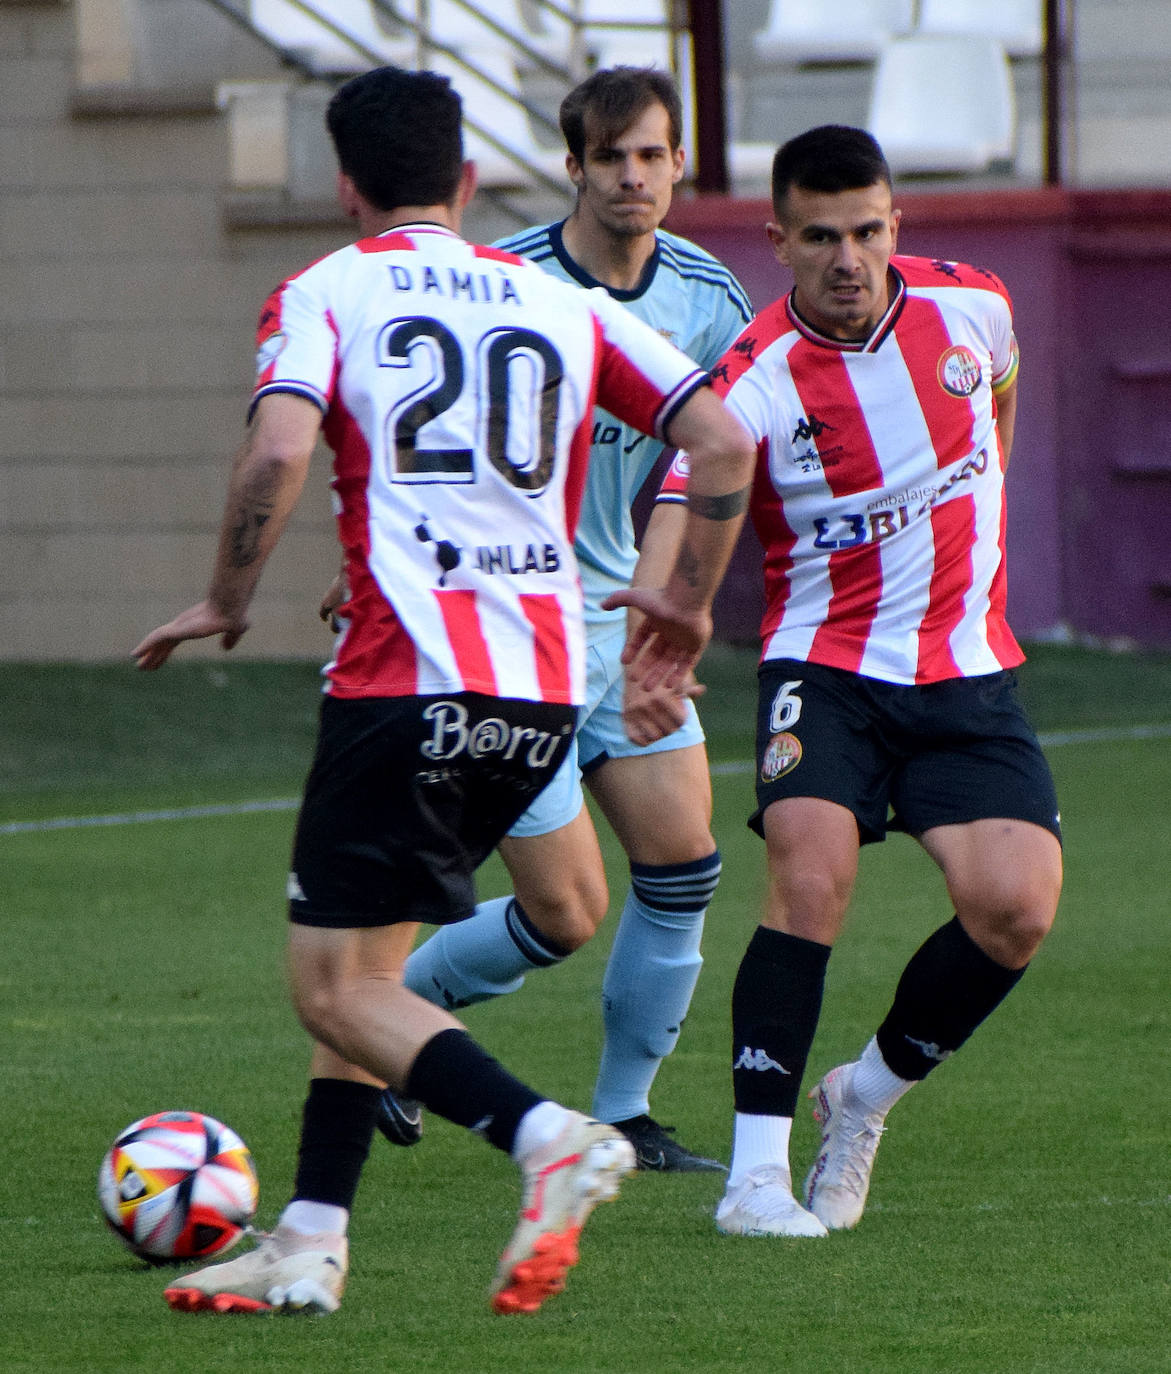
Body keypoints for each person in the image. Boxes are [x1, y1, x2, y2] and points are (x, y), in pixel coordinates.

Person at [131, 65, 755, 1316]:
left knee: (335, 985)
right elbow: (724, 442)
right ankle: (309, 1241)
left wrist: (228, 598)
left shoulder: (328, 290)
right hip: (536, 691)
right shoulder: (549, 299)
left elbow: (276, 448)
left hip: (403, 679)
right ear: (466, 181)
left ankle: (548, 1138)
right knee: (366, 964)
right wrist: (683, 608)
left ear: (347, 184)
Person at [651, 124, 1064, 1237]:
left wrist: (975, 546)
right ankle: (751, 1181)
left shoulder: (970, 307)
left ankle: (865, 1097)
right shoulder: (755, 379)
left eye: (868, 230)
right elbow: (690, 497)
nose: (848, 258)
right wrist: (669, 624)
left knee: (1016, 910)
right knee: (809, 875)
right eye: (821, 236)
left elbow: (999, 399)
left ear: (896, 225)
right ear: (778, 240)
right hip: (825, 666)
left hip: (964, 670)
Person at [374, 66, 754, 1173]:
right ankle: (391, 1024)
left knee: (683, 863)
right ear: (573, 167)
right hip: (506, 628)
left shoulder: (708, 295)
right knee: (563, 914)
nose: (632, 178)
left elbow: (704, 464)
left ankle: (625, 1116)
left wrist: (670, 609)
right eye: (610, 158)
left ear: (679, 164)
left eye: (652, 156)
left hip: (618, 622)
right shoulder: (506, 287)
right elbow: (429, 454)